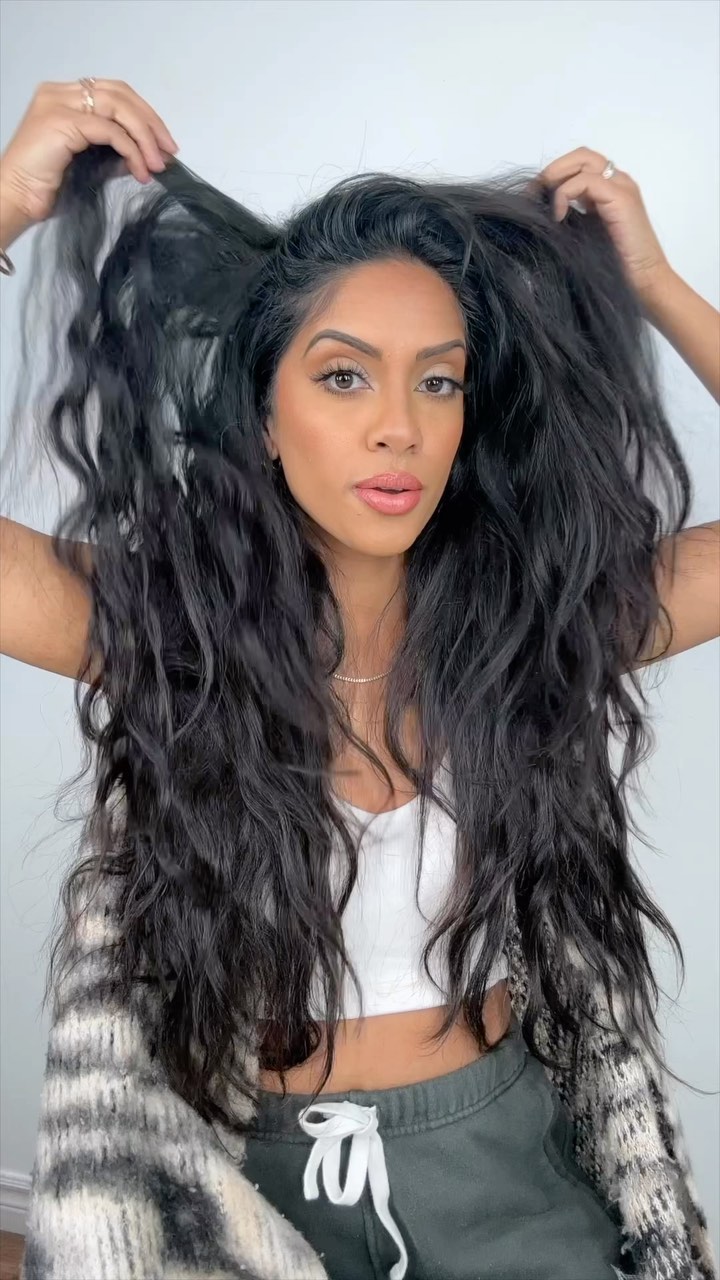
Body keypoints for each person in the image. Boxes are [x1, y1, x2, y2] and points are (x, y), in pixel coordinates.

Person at [0, 79, 718, 1280]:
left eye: (438, 380)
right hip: (244, 1196)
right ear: (263, 413)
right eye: (343, 375)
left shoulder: (535, 629)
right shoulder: (163, 628)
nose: (399, 426)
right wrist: (7, 200)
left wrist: (653, 285)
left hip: (504, 1170)